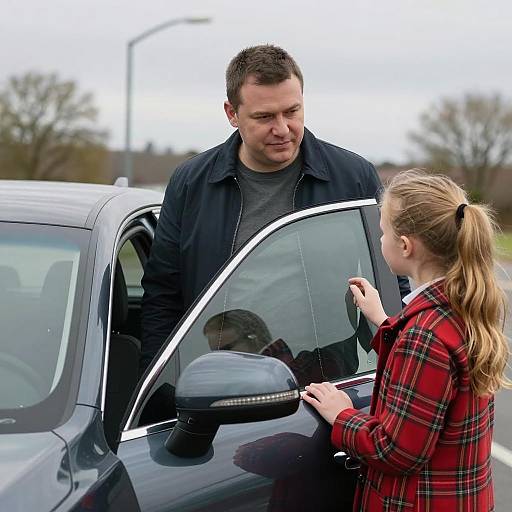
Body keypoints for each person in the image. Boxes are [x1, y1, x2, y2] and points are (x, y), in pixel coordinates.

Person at [140, 44, 407, 374]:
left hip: (327, 383)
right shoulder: (190, 183)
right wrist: (162, 389)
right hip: (214, 383)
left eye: (291, 112)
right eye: (264, 117)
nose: (282, 129)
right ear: (231, 113)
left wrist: (396, 371)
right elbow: (162, 295)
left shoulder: (354, 178)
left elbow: (395, 287)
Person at [303, 169, 511, 511]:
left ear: (404, 245)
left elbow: (395, 450)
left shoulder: (424, 335)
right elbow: (432, 376)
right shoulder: (458, 307)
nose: (380, 239)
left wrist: (341, 415)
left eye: (383, 232)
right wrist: (384, 321)